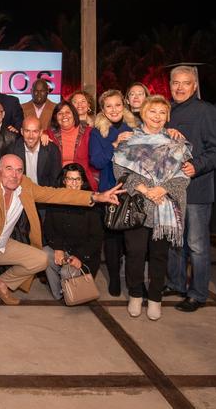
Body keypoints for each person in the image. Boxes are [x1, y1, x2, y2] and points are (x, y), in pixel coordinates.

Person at [0, 154, 122, 335]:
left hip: (0, 244)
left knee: (40, 259)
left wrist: (96, 197)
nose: (14, 175)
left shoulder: (25, 187)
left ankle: (0, 283)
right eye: (9, 169)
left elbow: (56, 194)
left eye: (19, 170)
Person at [113, 95, 191, 321]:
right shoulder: (129, 140)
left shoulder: (176, 142)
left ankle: (156, 298)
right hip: (138, 205)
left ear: (167, 116)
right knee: (135, 254)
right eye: (152, 112)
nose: (156, 117)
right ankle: (136, 294)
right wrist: (145, 190)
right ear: (142, 114)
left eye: (161, 113)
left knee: (159, 256)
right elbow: (121, 171)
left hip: (165, 207)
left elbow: (184, 175)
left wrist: (163, 189)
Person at [164, 66, 216, 313]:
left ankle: (198, 293)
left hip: (196, 190)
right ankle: (176, 283)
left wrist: (195, 166)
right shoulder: (164, 110)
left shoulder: (207, 112)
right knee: (174, 242)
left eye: (185, 83)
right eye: (175, 83)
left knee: (197, 245)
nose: (179, 87)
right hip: (169, 190)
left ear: (194, 85)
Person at [89, 90, 138, 297]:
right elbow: (97, 161)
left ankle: (134, 281)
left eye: (118, 105)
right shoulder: (97, 132)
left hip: (135, 190)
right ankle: (115, 279)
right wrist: (115, 145)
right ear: (103, 109)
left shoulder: (136, 128)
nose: (114, 110)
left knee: (133, 240)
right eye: (109, 106)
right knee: (112, 240)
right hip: (111, 190)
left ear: (124, 105)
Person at [42, 164, 105, 301]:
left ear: (83, 182)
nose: (73, 183)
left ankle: (70, 296)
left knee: (66, 271)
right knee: (44, 255)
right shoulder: (55, 199)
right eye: (70, 179)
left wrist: (79, 257)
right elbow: (48, 227)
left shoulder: (91, 204)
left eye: (77, 179)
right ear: (64, 181)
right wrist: (57, 247)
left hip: (83, 254)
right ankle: (59, 294)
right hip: (63, 248)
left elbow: (96, 238)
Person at [45, 101, 97, 191]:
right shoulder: (49, 134)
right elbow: (33, 135)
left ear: (74, 114)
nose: (64, 116)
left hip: (83, 182)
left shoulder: (89, 132)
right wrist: (41, 135)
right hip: (59, 182)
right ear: (55, 117)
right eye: (60, 113)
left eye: (67, 112)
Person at [5, 116, 61, 187]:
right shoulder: (13, 150)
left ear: (41, 132)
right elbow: (9, 178)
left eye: (35, 131)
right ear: (22, 132)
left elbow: (55, 180)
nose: (31, 136)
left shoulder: (52, 150)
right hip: (21, 192)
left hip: (45, 192)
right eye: (27, 131)